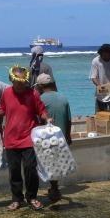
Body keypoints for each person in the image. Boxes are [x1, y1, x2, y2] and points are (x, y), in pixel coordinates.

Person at [0, 66, 51, 211]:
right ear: (11, 80)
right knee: (14, 171)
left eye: (23, 82)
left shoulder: (33, 94)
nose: (20, 85)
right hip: (11, 139)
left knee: (30, 169)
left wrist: (48, 119)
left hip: (29, 138)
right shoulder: (7, 93)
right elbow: (3, 109)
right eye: (17, 82)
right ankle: (17, 199)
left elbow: (42, 110)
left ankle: (32, 197)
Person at [34, 73, 71, 202]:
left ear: (39, 86)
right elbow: (69, 120)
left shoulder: (40, 99)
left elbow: (38, 120)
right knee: (56, 163)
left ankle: (54, 190)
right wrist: (68, 136)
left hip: (46, 137)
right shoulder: (63, 97)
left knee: (48, 165)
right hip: (61, 137)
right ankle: (55, 188)